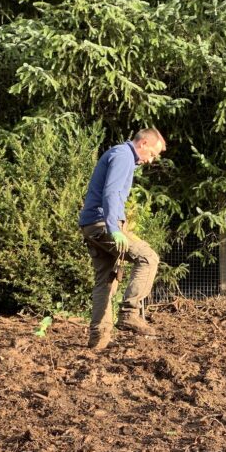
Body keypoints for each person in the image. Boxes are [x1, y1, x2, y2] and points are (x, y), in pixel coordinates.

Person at [78, 127, 166, 350]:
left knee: (106, 281)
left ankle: (99, 340)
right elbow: (112, 192)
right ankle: (129, 312)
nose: (151, 161)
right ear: (143, 143)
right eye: (153, 154)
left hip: (91, 224)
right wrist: (114, 228)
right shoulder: (124, 155)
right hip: (102, 224)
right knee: (148, 258)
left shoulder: (119, 155)